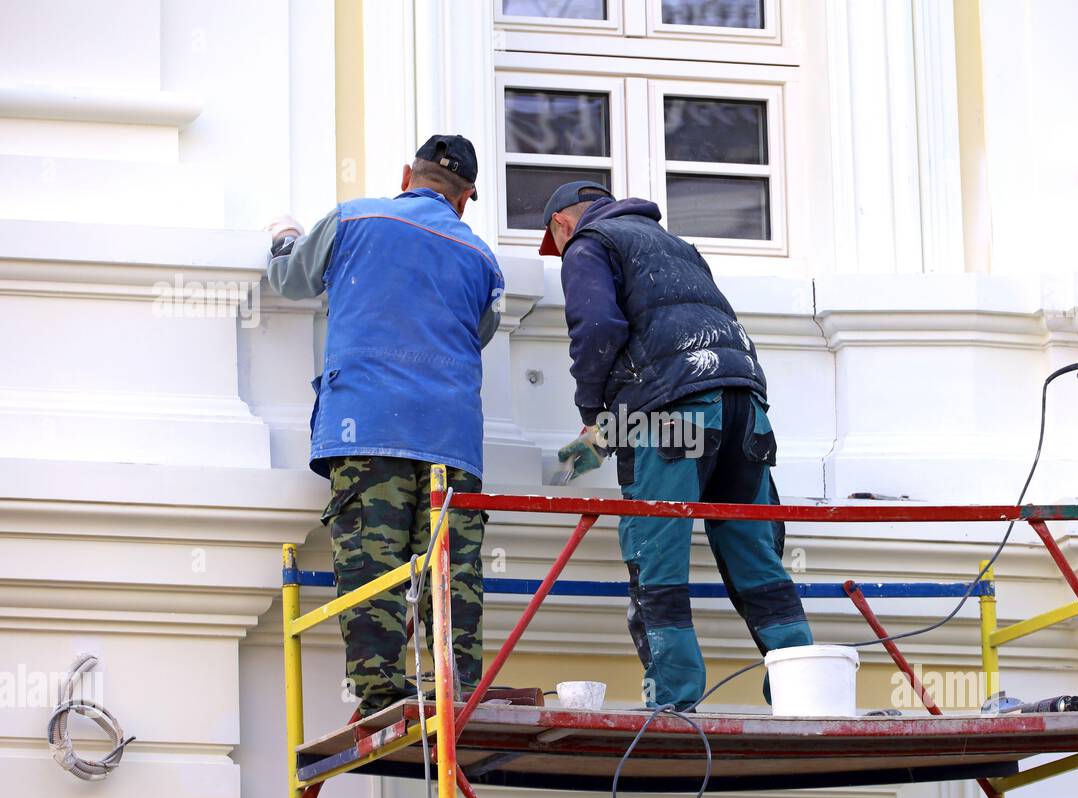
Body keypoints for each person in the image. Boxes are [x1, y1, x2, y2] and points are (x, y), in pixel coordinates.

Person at [541, 181, 814, 710]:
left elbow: (596, 328)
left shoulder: (589, 243)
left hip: (675, 420)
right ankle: (801, 689)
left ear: (561, 225)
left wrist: (594, 416)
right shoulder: (678, 247)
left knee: (657, 553)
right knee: (756, 555)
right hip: (745, 410)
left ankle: (674, 700)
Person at [267, 134, 503, 717]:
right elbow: (481, 331)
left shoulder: (354, 218)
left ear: (407, 175)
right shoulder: (480, 258)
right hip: (450, 441)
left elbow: (293, 280)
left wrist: (284, 241)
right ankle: (458, 689)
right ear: (466, 197)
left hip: (367, 426)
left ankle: (379, 693)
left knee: (373, 567)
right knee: (451, 573)